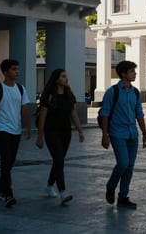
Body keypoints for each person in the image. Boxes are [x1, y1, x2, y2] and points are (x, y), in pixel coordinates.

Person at [100, 60, 146, 209]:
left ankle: (123, 197)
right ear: (123, 74)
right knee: (123, 163)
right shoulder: (112, 92)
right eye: (132, 71)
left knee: (130, 166)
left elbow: (139, 113)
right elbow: (105, 114)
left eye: (134, 71)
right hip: (117, 133)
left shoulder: (135, 92)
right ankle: (111, 185)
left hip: (132, 134)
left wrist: (144, 132)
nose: (135, 74)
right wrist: (105, 135)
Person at [0, 59, 32, 208]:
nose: (17, 71)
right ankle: (8, 194)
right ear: (5, 72)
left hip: (16, 130)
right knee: (6, 160)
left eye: (17, 69)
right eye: (13, 69)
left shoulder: (20, 89)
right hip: (1, 129)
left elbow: (24, 109)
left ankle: (0, 189)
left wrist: (29, 128)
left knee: (9, 162)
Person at [35, 68, 84, 205]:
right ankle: (63, 192)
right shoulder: (49, 95)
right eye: (63, 76)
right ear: (56, 79)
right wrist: (39, 136)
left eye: (66, 76)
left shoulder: (69, 95)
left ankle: (49, 186)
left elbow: (73, 114)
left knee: (59, 160)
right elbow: (43, 116)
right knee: (59, 160)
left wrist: (80, 130)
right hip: (51, 131)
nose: (66, 79)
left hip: (66, 132)